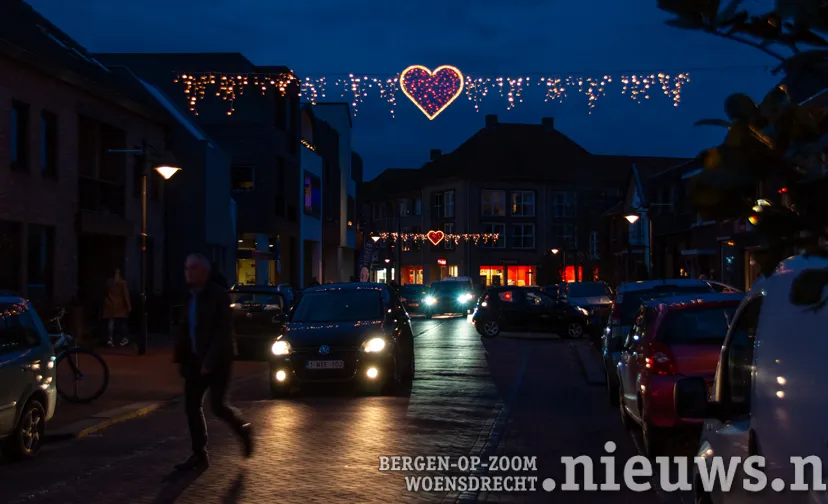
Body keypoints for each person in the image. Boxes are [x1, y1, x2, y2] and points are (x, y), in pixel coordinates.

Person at [173, 253, 252, 470]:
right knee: (191, 406)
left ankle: (242, 429)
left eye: (193, 269)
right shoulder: (190, 296)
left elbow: (222, 332)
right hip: (195, 361)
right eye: (186, 269)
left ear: (204, 272)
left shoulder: (218, 295)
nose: (188, 273)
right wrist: (182, 357)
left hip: (218, 361)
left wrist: (210, 361)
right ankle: (199, 454)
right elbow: (186, 329)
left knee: (218, 406)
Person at [102, 268, 131, 347]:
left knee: (111, 323)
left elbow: (105, 292)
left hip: (110, 305)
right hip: (120, 305)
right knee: (122, 323)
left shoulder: (109, 282)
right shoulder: (122, 283)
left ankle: (110, 339)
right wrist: (128, 306)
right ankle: (124, 339)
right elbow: (125, 295)